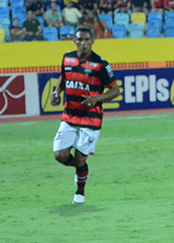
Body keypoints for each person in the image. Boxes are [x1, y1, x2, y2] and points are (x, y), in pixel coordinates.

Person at [50, 26, 122, 204]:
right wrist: (56, 92)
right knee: (59, 155)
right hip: (70, 116)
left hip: (91, 118)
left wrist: (97, 98)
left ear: (93, 41)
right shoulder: (67, 58)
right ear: (74, 41)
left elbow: (116, 90)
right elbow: (63, 77)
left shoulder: (101, 64)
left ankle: (80, 191)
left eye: (86, 40)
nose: (83, 43)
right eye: (80, 40)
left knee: (81, 157)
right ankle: (81, 172)